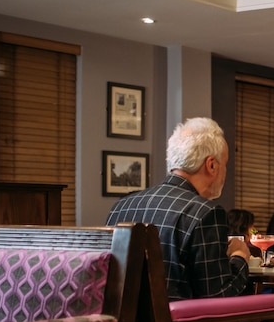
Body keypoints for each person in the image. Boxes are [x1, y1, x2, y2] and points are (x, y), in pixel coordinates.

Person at [107, 117, 250, 301]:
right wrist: (240, 256)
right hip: (179, 319)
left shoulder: (120, 207)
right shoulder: (206, 213)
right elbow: (218, 297)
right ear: (212, 165)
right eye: (225, 164)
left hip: (120, 319)